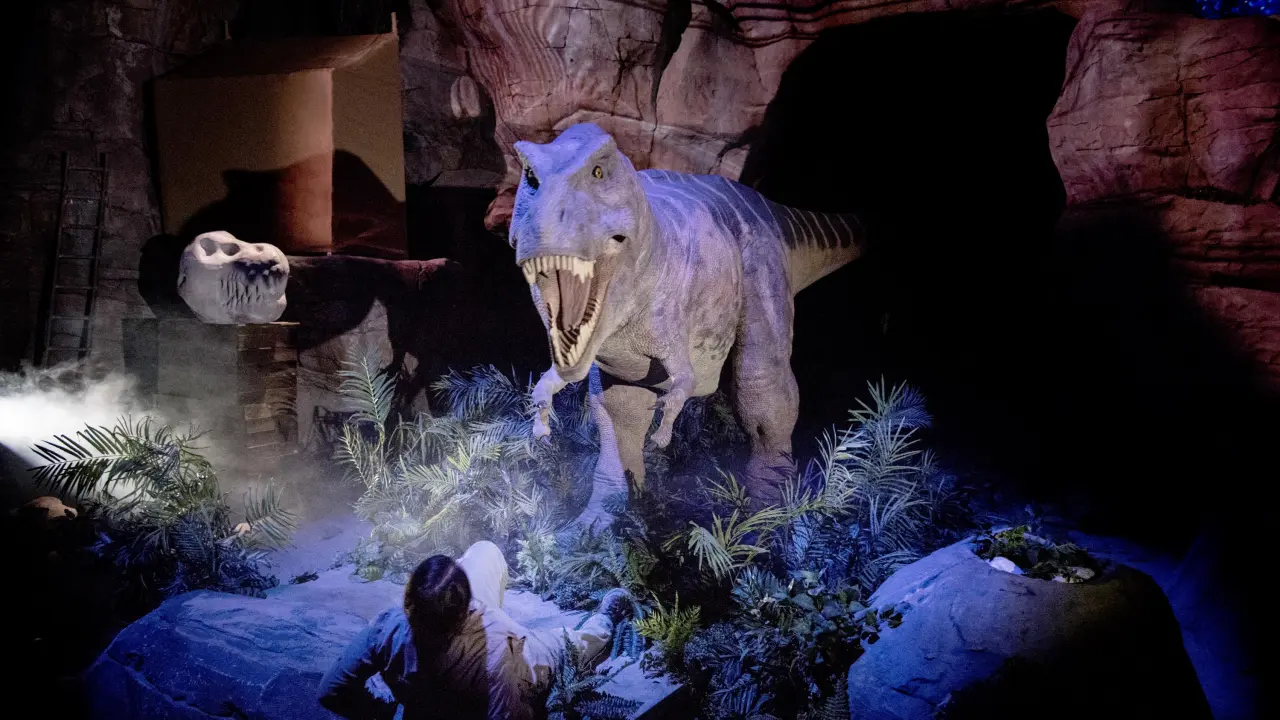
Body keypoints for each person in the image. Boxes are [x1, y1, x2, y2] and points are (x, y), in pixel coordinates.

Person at [318, 540, 632, 720]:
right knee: (569, 644)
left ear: (409, 599)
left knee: (484, 551)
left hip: (438, 665)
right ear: (466, 608)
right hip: (513, 662)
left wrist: (381, 712)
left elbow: (331, 691)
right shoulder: (495, 645)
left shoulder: (388, 626)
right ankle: (605, 622)